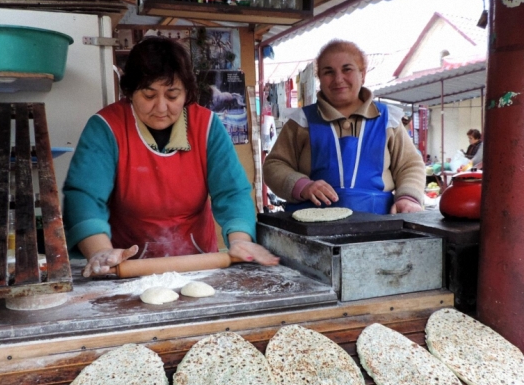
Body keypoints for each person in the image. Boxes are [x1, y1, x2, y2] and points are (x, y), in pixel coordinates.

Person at [63, 36, 278, 278]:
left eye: (172, 95)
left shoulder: (206, 126)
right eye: (149, 95)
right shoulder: (106, 127)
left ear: (187, 93)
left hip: (197, 267)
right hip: (125, 267)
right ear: (130, 91)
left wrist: (240, 240)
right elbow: (85, 197)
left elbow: (232, 192)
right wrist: (100, 252)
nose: (161, 107)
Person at [263, 40, 426, 215]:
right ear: (319, 79)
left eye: (347, 69)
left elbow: (410, 164)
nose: (338, 79)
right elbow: (274, 165)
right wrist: (302, 186)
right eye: (328, 72)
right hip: (312, 223)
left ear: (362, 74)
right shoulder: (301, 122)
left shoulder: (388, 121)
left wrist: (408, 198)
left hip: (380, 223)